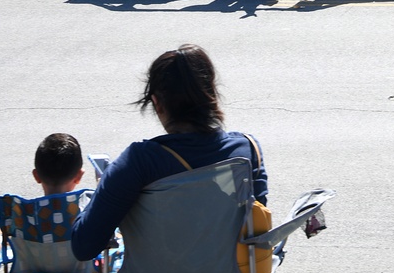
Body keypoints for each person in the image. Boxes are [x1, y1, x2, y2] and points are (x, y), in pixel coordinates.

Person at [71, 44, 267, 261]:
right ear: (211, 92)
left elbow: (83, 246)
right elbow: (255, 230)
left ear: (157, 102)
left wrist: (99, 194)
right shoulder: (247, 152)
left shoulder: (139, 162)